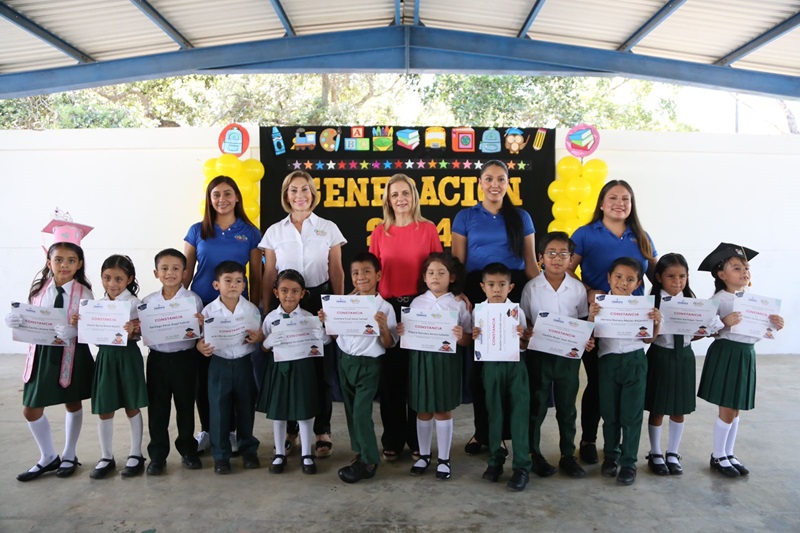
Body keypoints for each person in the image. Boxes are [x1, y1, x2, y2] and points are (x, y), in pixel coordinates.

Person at [452, 160, 538, 456]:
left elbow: (531, 265)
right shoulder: (465, 216)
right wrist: (459, 292)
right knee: (482, 368)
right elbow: (458, 263)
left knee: (513, 365)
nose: (494, 185)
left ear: (508, 184)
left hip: (512, 290)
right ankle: (483, 433)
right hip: (479, 291)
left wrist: (549, 293)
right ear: (480, 183)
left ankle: (511, 433)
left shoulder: (521, 217)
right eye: (488, 179)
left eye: (501, 179)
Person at [569, 180, 658, 464]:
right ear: (601, 203)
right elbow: (567, 271)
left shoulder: (641, 236)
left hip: (632, 325)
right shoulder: (585, 234)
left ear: (632, 204)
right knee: (597, 383)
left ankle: (620, 448)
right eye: (613, 198)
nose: (619, 203)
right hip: (598, 318)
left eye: (625, 199)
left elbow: (658, 275)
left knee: (626, 385)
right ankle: (589, 439)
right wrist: (588, 290)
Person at [259, 170, 346, 457]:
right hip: (285, 302)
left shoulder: (328, 228)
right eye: (293, 190)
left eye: (305, 189)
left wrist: (336, 309)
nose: (300, 195)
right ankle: (291, 430)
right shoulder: (275, 231)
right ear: (286, 195)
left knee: (321, 369)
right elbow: (268, 273)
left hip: (318, 301)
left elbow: (336, 270)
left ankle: (322, 430)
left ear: (313, 193)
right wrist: (267, 309)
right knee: (289, 367)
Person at [6, 218, 95, 481]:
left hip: (71, 353)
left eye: (71, 260)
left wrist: (75, 331)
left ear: (79, 264)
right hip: (42, 354)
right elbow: (32, 319)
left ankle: (69, 454)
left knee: (72, 401)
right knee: (31, 408)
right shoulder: (38, 290)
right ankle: (47, 456)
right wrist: (17, 321)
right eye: (58, 260)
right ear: (49, 262)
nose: (64, 265)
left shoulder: (84, 293)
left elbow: (92, 326)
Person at [184, 176, 262, 455]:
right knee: (205, 374)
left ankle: (232, 431)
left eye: (227, 193)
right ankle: (208, 429)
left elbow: (257, 275)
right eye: (216, 194)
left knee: (235, 373)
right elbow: (185, 274)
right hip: (203, 310)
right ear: (209, 199)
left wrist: (255, 312)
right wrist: (179, 309)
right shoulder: (197, 230)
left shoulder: (250, 232)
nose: (222, 199)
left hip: (236, 311)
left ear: (237, 197)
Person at [369, 173, 443, 461]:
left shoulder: (428, 229)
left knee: (417, 377)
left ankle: (416, 439)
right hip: (388, 308)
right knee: (391, 378)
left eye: (405, 193)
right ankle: (393, 438)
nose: (400, 199)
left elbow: (439, 269)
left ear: (414, 196)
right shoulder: (379, 232)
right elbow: (372, 274)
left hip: (420, 307)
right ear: (388, 200)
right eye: (394, 194)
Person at [696, 243, 784, 477]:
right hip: (727, 352)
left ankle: (728, 452)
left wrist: (774, 325)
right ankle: (718, 455)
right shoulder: (719, 299)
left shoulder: (753, 301)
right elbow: (704, 329)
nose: (744, 271)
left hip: (746, 353)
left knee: (736, 408)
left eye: (746, 268)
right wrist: (724, 322)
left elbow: (760, 331)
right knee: (727, 406)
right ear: (722, 275)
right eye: (736, 268)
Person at [320, 252, 398, 483]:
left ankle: (370, 461)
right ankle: (361, 451)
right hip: (346, 361)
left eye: (366, 271)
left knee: (362, 412)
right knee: (352, 411)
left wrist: (383, 327)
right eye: (355, 273)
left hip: (369, 365)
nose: (361, 276)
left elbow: (389, 343)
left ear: (378, 275)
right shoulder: (344, 303)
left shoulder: (385, 307)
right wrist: (327, 322)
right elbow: (336, 336)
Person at [520, 232, 592, 479]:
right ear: (541, 258)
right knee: (536, 406)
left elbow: (582, 320)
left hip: (568, 357)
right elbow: (526, 320)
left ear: (571, 259)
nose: (557, 258)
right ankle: (533, 454)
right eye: (551, 253)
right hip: (539, 356)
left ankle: (567, 455)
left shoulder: (577, 288)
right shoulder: (531, 288)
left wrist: (586, 338)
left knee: (567, 407)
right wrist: (528, 333)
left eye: (563, 254)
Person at [645, 253, 721, 476]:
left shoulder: (692, 302)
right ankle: (655, 452)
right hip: (660, 356)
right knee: (658, 407)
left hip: (685, 357)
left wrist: (705, 330)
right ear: (659, 277)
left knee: (679, 408)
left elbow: (695, 334)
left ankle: (673, 452)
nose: (677, 281)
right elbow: (645, 336)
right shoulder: (652, 303)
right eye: (671, 276)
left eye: (682, 276)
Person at [588, 257, 662, 486]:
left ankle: (629, 462)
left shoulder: (643, 307)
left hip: (635, 361)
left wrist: (657, 322)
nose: (623, 282)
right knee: (610, 414)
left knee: (631, 415)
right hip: (608, 362)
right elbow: (589, 337)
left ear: (638, 283)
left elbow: (648, 339)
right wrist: (591, 316)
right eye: (618, 277)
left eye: (630, 279)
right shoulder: (600, 305)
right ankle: (611, 456)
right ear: (609, 278)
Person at [399, 252, 471, 481]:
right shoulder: (417, 303)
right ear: (424, 277)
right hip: (421, 361)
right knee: (422, 408)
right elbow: (409, 334)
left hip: (446, 363)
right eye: (431, 272)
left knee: (442, 409)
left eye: (441, 272)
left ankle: (444, 459)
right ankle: (423, 455)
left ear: (452, 277)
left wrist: (461, 336)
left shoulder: (458, 304)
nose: (435, 277)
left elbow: (468, 339)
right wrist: (403, 331)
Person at [257, 269, 329, 475]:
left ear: (302, 293)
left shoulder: (308, 317)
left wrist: (321, 329)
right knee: (279, 413)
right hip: (279, 368)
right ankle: (279, 453)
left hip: (303, 369)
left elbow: (324, 342)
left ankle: (306, 454)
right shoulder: (271, 318)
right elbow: (263, 348)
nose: (289, 295)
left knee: (304, 412)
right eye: (284, 290)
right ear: (276, 292)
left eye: (295, 291)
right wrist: (269, 342)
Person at [196, 261, 263, 474]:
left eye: (238, 281)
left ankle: (248, 450)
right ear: (216, 285)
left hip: (244, 364)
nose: (233, 285)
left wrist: (258, 338)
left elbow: (258, 336)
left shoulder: (251, 309)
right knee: (218, 410)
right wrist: (199, 346)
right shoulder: (208, 311)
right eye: (228, 280)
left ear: (244, 285)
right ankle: (221, 456)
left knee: (245, 408)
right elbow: (200, 339)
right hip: (219, 364)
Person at [141, 249, 204, 475]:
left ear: (185, 272)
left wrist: (202, 324)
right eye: (165, 268)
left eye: (176, 268)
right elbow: (142, 331)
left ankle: (188, 450)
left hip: (185, 359)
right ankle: (157, 455)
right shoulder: (148, 303)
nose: (170, 273)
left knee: (185, 406)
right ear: (156, 273)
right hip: (157, 360)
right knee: (157, 408)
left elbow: (200, 332)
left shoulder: (193, 300)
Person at [87, 255, 148, 479]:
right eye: (107, 278)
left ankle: (136, 454)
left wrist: (134, 330)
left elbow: (145, 332)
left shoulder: (135, 304)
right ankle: (106, 456)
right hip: (106, 356)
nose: (112, 284)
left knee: (132, 405)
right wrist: (83, 324)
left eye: (119, 279)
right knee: (105, 407)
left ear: (129, 279)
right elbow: (94, 335)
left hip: (127, 356)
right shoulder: (96, 305)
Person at [472, 263, 531, 492]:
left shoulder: (517, 311)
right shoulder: (479, 311)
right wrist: (475, 335)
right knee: (494, 413)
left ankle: (522, 466)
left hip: (516, 366)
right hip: (491, 367)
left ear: (510, 287)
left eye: (502, 284)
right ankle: (495, 460)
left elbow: (524, 345)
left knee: (519, 414)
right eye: (491, 285)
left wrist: (522, 337)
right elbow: (476, 341)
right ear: (483, 287)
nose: (496, 289)